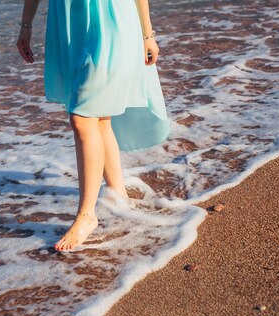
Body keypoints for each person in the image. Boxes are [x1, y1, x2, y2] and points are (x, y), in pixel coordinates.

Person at [16, 0, 171, 251]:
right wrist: (26, 26)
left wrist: (147, 34)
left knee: (81, 117)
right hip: (71, 24)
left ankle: (87, 215)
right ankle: (117, 193)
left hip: (112, 22)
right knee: (99, 115)